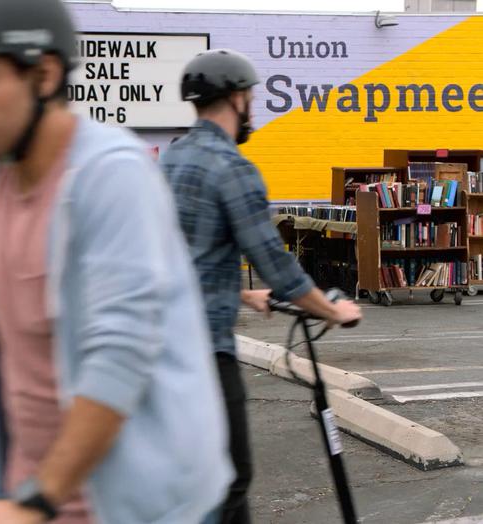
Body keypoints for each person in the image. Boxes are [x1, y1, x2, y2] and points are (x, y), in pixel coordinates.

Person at [0, 0, 232, 522]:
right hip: (30, 488)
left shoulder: (112, 177)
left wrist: (37, 502)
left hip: (139, 502)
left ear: (45, 74)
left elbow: (120, 351)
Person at [160, 49, 363, 524]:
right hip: (205, 355)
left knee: (190, 482)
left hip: (161, 349)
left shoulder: (171, 161)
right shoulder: (232, 167)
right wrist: (333, 310)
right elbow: (277, 265)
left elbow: (180, 257)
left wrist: (241, 293)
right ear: (235, 99)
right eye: (250, 96)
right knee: (230, 482)